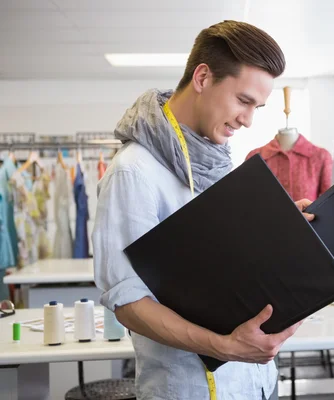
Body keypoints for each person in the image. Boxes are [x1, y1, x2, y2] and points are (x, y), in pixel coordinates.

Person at [92, 20, 314, 400]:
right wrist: (223, 346)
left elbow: (217, 254)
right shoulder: (134, 172)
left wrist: (278, 228)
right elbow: (128, 302)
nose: (248, 120)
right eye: (243, 101)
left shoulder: (215, 158)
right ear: (202, 77)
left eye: (257, 107)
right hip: (191, 388)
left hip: (258, 382)